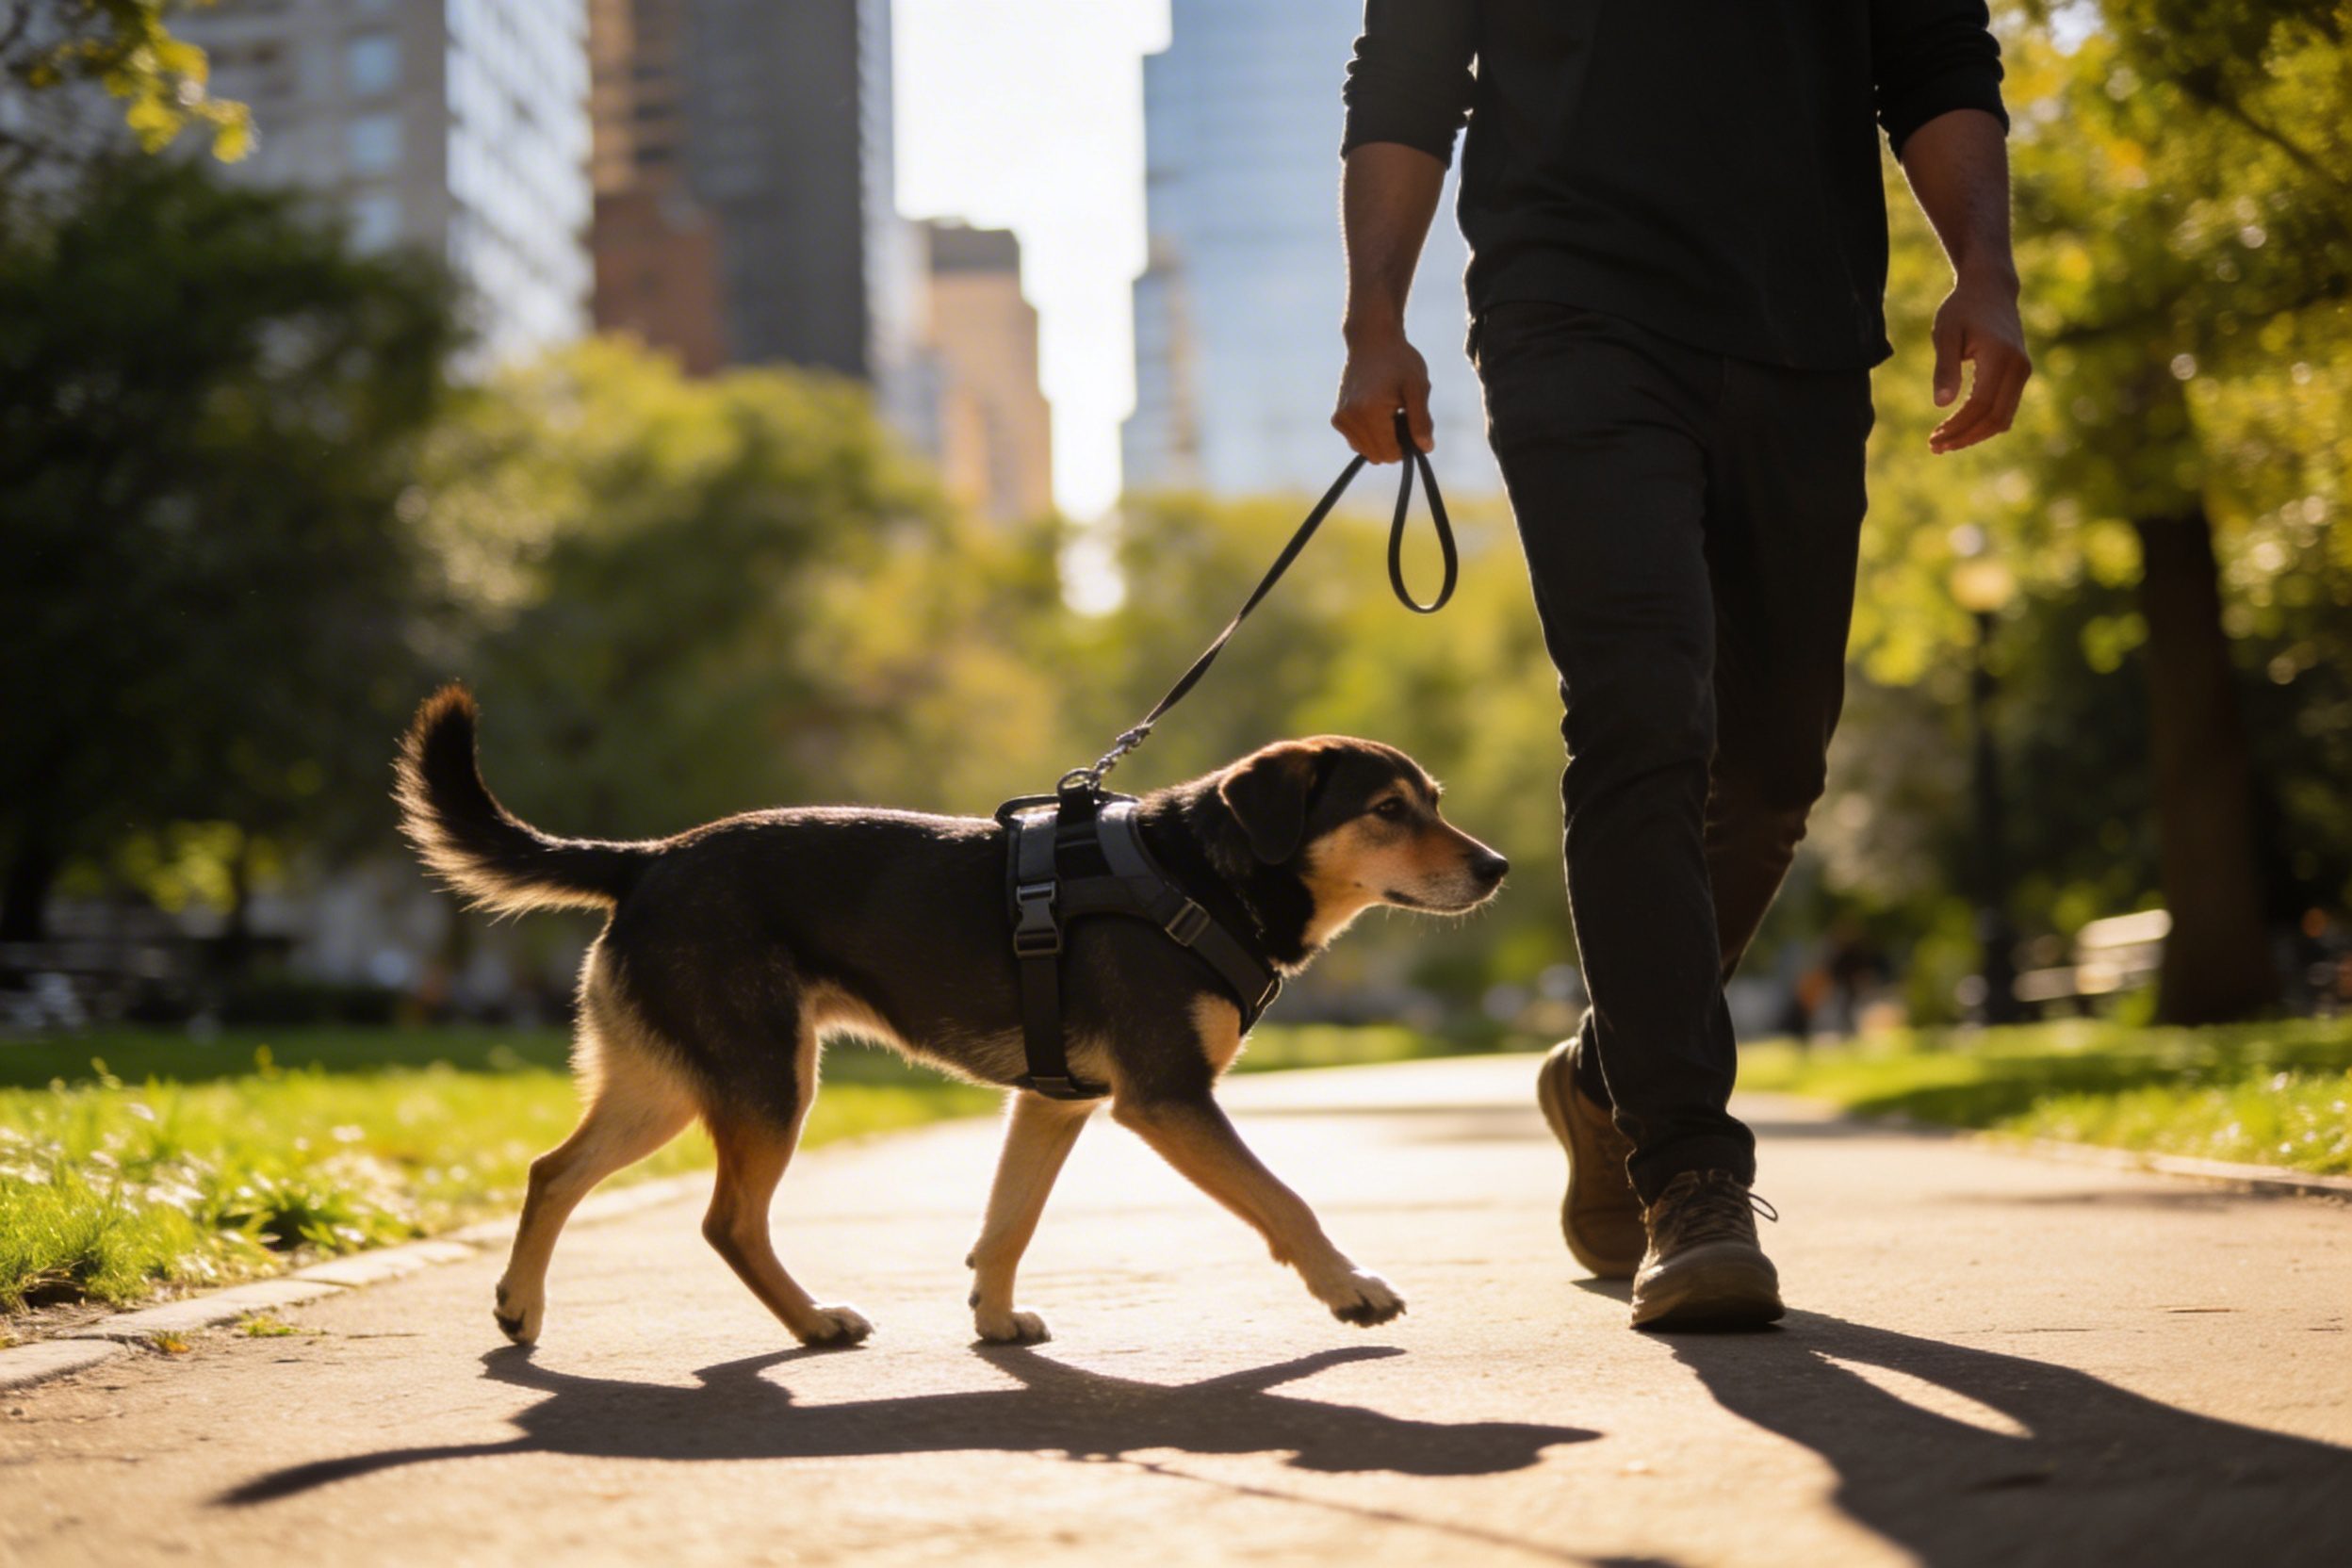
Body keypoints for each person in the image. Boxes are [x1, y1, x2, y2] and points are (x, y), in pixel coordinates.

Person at [1331, 2, 2029, 1329]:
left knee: (1769, 772)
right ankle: (1692, 1176)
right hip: (1570, 311)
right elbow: (1408, 74)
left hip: (1805, 321)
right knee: (1643, 712)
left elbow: (1934, 50)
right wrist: (1376, 318)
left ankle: (1610, 1073)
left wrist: (1984, 270)